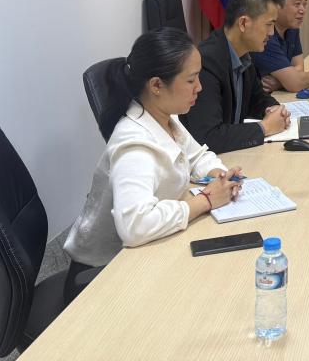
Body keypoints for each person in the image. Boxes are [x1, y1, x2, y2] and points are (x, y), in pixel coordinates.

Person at [64, 28, 244, 299]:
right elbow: (135, 226)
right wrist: (206, 200)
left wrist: (219, 174)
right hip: (103, 275)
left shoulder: (165, 117)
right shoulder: (133, 143)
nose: (200, 87)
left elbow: (196, 155)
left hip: (146, 252)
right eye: (191, 80)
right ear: (157, 85)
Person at [181, 0, 291, 153]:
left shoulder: (244, 54)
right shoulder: (205, 63)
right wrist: (264, 128)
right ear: (243, 23)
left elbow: (257, 98)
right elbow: (209, 137)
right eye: (269, 25)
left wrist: (274, 109)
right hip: (205, 162)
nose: (272, 33)